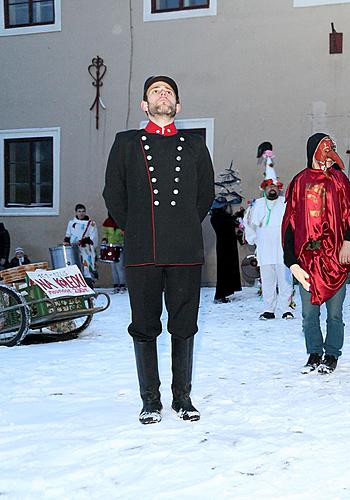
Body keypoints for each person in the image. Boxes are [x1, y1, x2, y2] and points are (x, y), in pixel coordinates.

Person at [103, 75, 214, 424]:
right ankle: (150, 400)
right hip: (143, 249)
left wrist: (181, 224)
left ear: (178, 106)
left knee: (184, 325)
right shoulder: (126, 143)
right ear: (144, 104)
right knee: (144, 325)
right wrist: (135, 228)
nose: (162, 95)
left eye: (168, 92)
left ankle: (183, 398)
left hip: (184, 248)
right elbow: (113, 194)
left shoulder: (194, 144)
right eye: (155, 91)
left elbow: (205, 195)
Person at [282, 133, 350, 374]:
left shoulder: (339, 181)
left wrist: (349, 241)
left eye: (333, 148)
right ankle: (314, 352)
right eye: (326, 148)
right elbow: (290, 223)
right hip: (306, 260)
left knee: (335, 313)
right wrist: (291, 261)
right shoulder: (299, 182)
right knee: (309, 314)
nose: (330, 153)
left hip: (334, 258)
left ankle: (331, 354)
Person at [245, 156, 294, 320]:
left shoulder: (285, 203)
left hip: (282, 250)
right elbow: (249, 223)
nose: (272, 189)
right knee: (267, 282)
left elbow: (293, 223)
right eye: (269, 186)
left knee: (285, 280)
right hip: (265, 251)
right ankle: (269, 309)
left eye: (274, 186)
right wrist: (252, 238)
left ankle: (287, 308)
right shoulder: (256, 205)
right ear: (264, 189)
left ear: (278, 188)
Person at [210, 197, 243, 304]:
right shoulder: (220, 217)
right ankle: (220, 295)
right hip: (225, 247)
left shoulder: (217, 217)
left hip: (225, 246)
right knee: (224, 271)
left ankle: (223, 294)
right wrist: (238, 216)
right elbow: (231, 222)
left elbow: (231, 221)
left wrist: (237, 215)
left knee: (225, 270)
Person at [64, 203, 99, 286]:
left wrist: (82, 242)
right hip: (74, 249)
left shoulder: (91, 224)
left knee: (86, 267)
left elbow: (93, 237)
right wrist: (66, 242)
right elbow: (68, 234)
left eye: (83, 211)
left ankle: (89, 285)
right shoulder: (71, 223)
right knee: (75, 266)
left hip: (85, 249)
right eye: (79, 211)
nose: (81, 213)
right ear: (76, 212)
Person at [101, 213, 127, 293]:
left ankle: (122, 285)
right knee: (113, 268)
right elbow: (105, 233)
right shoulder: (107, 222)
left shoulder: (122, 222)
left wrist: (123, 242)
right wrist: (104, 239)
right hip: (111, 246)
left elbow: (125, 234)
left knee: (120, 267)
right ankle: (116, 285)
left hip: (120, 246)